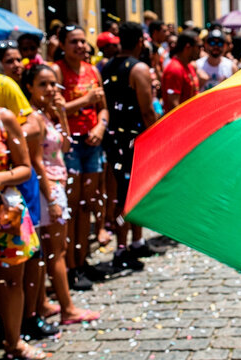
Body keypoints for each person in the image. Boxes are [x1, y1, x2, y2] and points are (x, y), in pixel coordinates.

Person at [21, 64, 101, 325]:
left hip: (56, 184)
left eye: (53, 84)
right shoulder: (33, 118)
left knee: (52, 251)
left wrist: (62, 116)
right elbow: (37, 163)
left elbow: (65, 146)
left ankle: (43, 304)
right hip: (49, 189)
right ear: (29, 87)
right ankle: (68, 309)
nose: (50, 89)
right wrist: (53, 200)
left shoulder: (47, 115)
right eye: (43, 84)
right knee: (57, 252)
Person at [51, 24, 110, 290]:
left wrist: (100, 127)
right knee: (72, 206)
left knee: (88, 202)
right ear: (62, 45)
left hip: (92, 141)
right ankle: (72, 265)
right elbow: (53, 111)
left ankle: (83, 259)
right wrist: (85, 100)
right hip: (69, 144)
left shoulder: (93, 71)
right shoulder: (56, 71)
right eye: (74, 41)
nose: (80, 46)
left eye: (82, 42)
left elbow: (103, 109)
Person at [101, 22, 162, 271]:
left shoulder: (107, 66)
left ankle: (136, 242)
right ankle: (122, 248)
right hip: (136, 139)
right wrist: (158, 137)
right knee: (128, 193)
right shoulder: (139, 69)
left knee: (131, 191)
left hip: (113, 137)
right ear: (140, 41)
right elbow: (147, 111)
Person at [0, 105, 44, 359]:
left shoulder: (3, 119)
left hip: (5, 218)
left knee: (13, 281)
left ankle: (13, 342)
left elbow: (26, 168)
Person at [161, 30, 201, 113]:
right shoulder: (175, 69)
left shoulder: (188, 66)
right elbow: (173, 105)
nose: (201, 49)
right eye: (199, 46)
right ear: (188, 47)